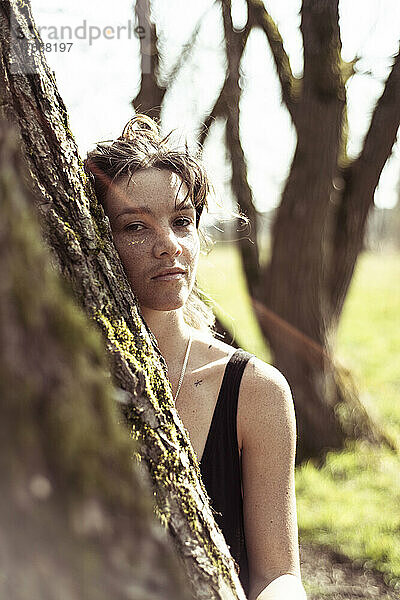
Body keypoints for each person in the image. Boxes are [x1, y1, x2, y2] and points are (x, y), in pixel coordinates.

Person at [84, 114, 307, 600]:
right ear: (97, 244)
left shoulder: (256, 391)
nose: (169, 245)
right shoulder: (61, 378)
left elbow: (279, 576)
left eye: (182, 221)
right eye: (135, 226)